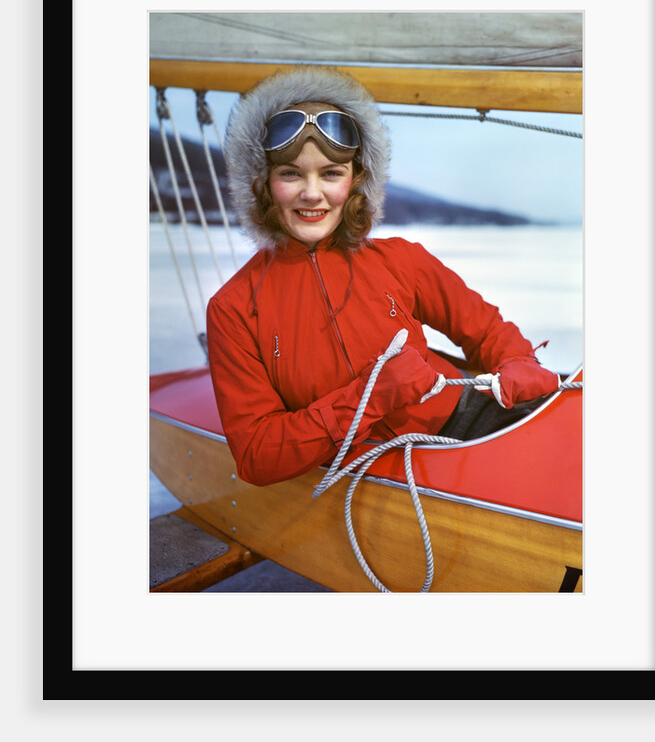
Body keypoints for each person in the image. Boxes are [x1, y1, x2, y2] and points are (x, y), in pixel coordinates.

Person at [206, 66, 560, 487]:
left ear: (355, 182)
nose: (312, 193)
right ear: (263, 185)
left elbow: (485, 329)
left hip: (463, 421)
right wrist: (370, 397)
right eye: (291, 174)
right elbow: (257, 455)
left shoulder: (400, 260)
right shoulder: (234, 309)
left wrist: (517, 360)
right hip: (360, 469)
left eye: (331, 174)